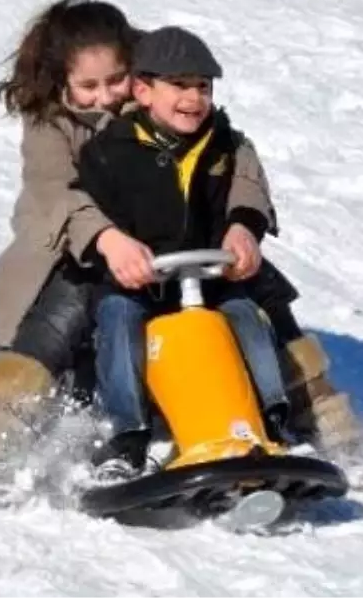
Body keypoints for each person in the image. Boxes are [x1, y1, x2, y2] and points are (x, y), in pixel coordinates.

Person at [0, 0, 362, 481]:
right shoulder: (51, 124)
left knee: (257, 292)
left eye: (114, 80)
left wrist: (243, 222)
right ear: (61, 81)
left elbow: (233, 152)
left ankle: (315, 410)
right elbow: (54, 193)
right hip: (75, 247)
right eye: (87, 86)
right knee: (68, 308)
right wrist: (107, 239)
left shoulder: (161, 92)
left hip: (171, 247)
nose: (105, 96)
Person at [75, 25, 291, 480]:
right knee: (117, 318)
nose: (194, 99)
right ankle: (127, 437)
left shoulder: (224, 144)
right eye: (180, 86)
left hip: (209, 279)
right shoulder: (108, 152)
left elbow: (247, 193)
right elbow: (87, 215)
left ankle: (273, 420)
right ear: (143, 90)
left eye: (203, 87)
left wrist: (243, 231)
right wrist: (115, 251)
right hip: (138, 284)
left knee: (246, 315)